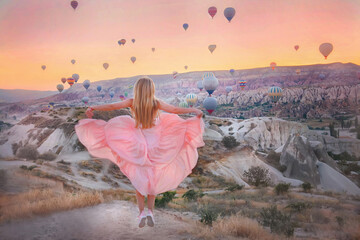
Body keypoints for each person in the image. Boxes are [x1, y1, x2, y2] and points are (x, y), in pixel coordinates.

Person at [75, 77, 205, 228]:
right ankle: (150, 212)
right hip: (155, 144)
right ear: (152, 89)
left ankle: (141, 213)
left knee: (139, 181)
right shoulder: (156, 103)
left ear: (137, 89)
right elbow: (175, 110)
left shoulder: (132, 102)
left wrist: (93, 107)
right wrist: (194, 110)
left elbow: (112, 106)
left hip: (137, 143)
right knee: (152, 180)